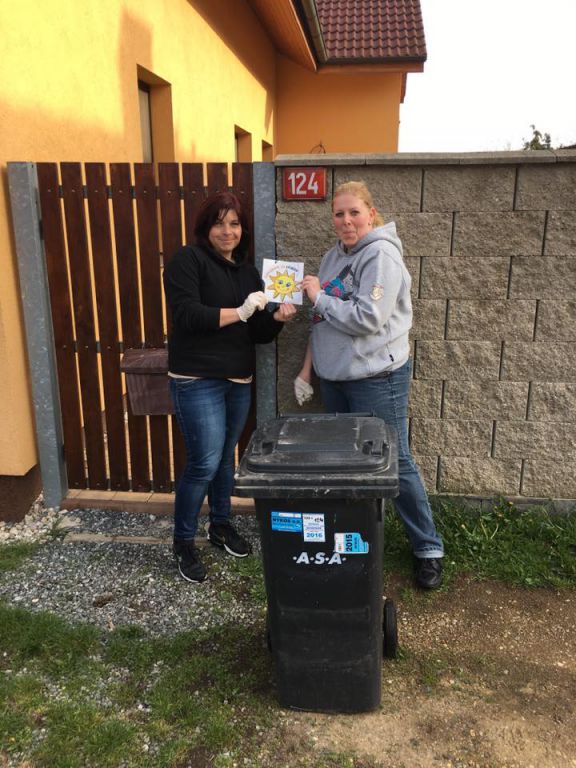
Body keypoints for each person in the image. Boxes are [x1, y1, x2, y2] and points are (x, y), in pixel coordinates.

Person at [295, 181, 444, 589]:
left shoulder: (381, 255)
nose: (346, 221)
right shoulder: (331, 257)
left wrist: (319, 298)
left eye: (354, 213)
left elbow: (368, 318)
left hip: (376, 378)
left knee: (394, 461)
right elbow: (321, 321)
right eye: (338, 214)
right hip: (335, 378)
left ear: (371, 214)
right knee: (347, 462)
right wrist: (308, 370)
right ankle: (355, 536)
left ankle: (428, 548)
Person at [163, 191, 296, 583]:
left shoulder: (248, 273)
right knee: (204, 462)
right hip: (197, 380)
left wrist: (277, 320)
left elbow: (257, 333)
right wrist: (239, 311)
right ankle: (182, 543)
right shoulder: (188, 260)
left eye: (234, 223)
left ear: (243, 229)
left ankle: (220, 525)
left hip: (238, 380)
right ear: (206, 227)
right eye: (219, 223)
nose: (227, 231)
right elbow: (187, 315)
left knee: (224, 458)